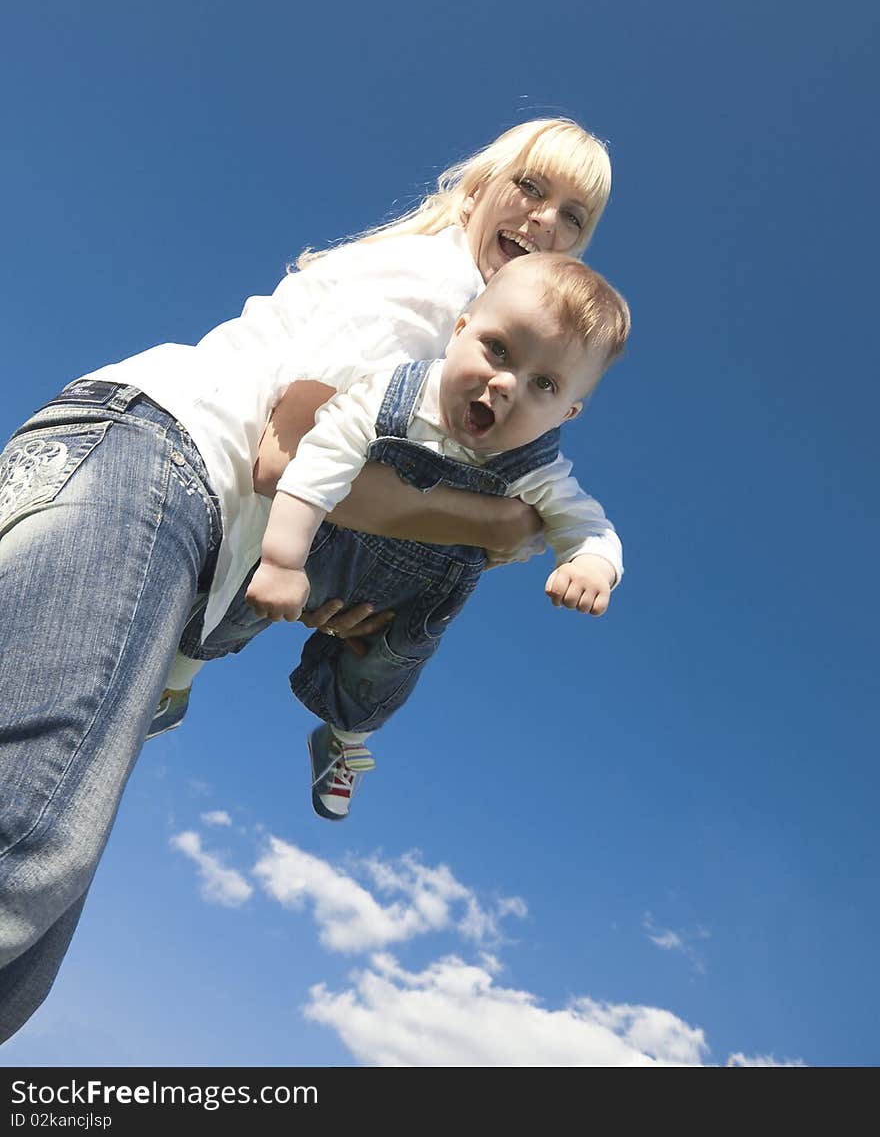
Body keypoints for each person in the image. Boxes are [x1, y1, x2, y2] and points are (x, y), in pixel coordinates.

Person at [0, 117, 615, 1040]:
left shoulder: (468, 314)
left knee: (27, 939)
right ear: (477, 183)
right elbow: (284, 454)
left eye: (575, 214)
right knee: (26, 850)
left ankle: (199, 673)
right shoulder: (441, 288)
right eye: (531, 186)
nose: (545, 221)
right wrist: (497, 526)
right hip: (159, 463)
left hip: (141, 489)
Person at [243, 252, 629, 819]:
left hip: (405, 606)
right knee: (235, 598)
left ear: (566, 414)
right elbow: (319, 460)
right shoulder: (390, 397)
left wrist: (592, 565)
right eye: (498, 349)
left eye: (543, 383)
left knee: (377, 679)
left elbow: (590, 525)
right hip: (319, 548)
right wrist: (281, 560)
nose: (504, 384)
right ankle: (181, 670)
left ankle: (343, 742)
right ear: (460, 329)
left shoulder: (538, 470)